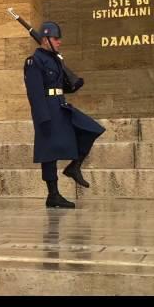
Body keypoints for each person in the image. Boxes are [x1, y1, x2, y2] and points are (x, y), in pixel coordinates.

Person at [24, 21, 105, 209]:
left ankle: (74, 167)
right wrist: (42, 118)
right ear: (45, 40)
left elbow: (60, 86)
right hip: (47, 109)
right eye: (55, 38)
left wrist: (74, 85)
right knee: (49, 153)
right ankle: (53, 195)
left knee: (92, 129)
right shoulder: (34, 61)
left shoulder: (55, 59)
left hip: (61, 106)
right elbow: (35, 92)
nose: (59, 42)